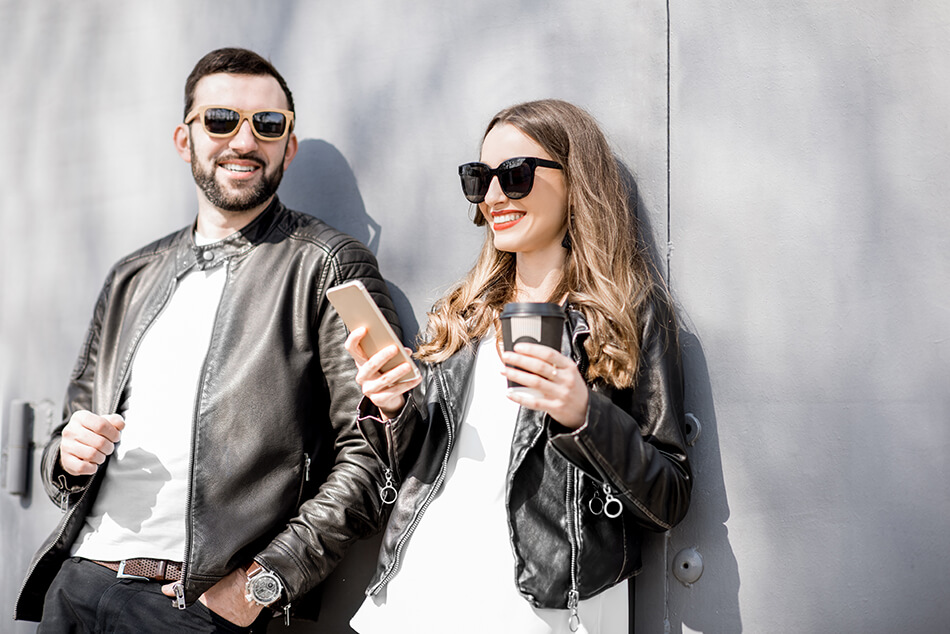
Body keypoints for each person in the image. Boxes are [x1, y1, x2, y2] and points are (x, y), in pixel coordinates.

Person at [14, 47, 400, 633]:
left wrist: (263, 582)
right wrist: (68, 456)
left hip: (193, 606)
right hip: (77, 582)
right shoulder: (132, 276)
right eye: (221, 120)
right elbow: (66, 439)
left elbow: (373, 453)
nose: (244, 141)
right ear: (183, 138)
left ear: (288, 146)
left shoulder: (328, 266)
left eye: (268, 125)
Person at [344, 99, 693, 633]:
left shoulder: (630, 313)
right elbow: (419, 468)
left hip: (544, 608)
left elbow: (668, 497)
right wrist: (392, 409)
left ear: (575, 180)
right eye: (479, 178)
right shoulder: (463, 310)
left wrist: (585, 416)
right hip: (421, 590)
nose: (492, 196)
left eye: (514, 175)